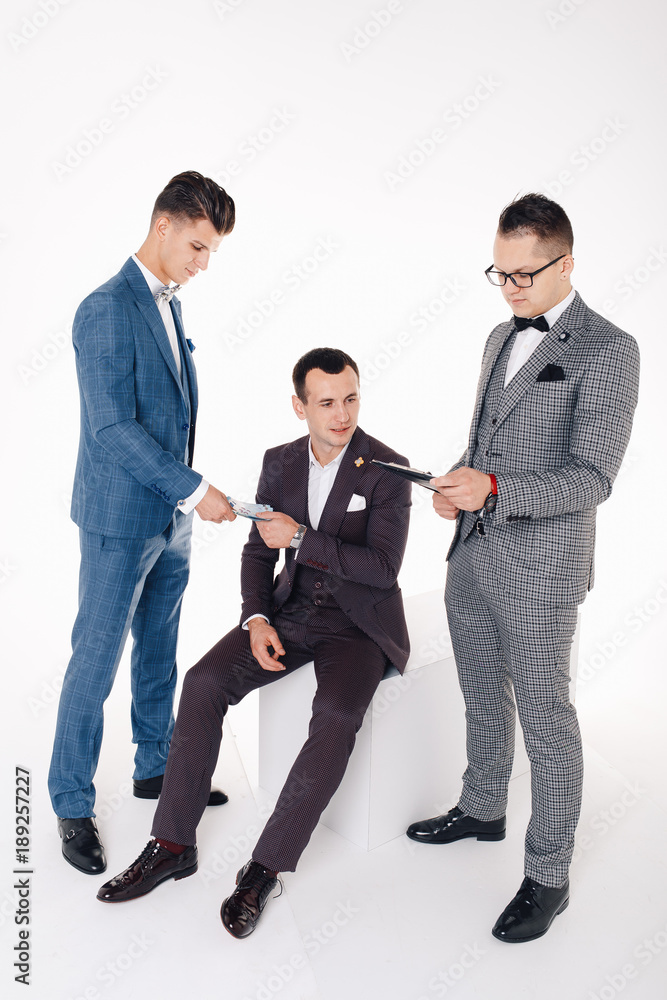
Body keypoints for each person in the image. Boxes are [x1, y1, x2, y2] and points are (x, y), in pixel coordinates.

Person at [96, 347, 412, 938]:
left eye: (351, 399)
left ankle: (264, 869)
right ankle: (172, 844)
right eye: (326, 403)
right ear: (299, 406)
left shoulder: (388, 469)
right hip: (290, 613)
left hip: (359, 625)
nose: (342, 414)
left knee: (336, 716)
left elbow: (382, 568)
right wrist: (258, 619)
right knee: (202, 682)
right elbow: (258, 552)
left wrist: (303, 539)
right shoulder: (280, 463)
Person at [407, 193, 640, 943]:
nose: (508, 289)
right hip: (473, 552)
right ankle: (482, 807)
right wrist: (458, 482)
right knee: (481, 693)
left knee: (544, 716)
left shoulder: (610, 349)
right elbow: (486, 443)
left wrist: (496, 490)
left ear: (565, 265)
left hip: (542, 568)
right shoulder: (495, 337)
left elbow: (593, 477)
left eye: (522, 275)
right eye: (498, 273)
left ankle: (548, 875)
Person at [49, 171, 237, 876]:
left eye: (211, 251)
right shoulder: (103, 308)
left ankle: (154, 767)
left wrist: (184, 500)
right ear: (163, 226)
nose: (203, 263)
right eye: (197, 247)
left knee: (159, 648)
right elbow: (112, 428)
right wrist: (195, 489)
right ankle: (70, 800)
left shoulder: (170, 302)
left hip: (169, 517)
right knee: (95, 660)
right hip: (118, 520)